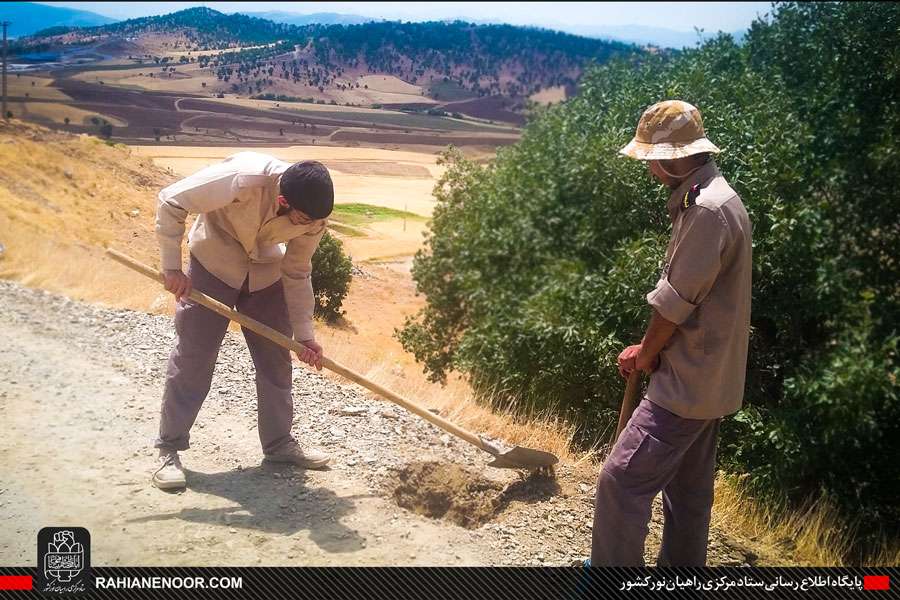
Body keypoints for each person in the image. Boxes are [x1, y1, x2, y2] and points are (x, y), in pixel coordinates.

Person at [591, 100, 752, 566]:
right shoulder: (718, 198)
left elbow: (675, 304)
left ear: (671, 157)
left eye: (651, 160)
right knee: (688, 496)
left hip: (685, 384)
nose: (650, 170)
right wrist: (650, 347)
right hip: (710, 381)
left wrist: (646, 352)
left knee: (620, 482)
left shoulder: (706, 210)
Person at [151, 151, 335, 490]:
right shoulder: (242, 177)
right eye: (303, 218)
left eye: (314, 221)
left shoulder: (314, 219)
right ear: (282, 200)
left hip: (265, 276)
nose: (309, 226)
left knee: (276, 363)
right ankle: (169, 448)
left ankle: (279, 445)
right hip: (213, 264)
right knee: (194, 358)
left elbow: (297, 270)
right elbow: (171, 201)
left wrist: (305, 336)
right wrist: (172, 268)